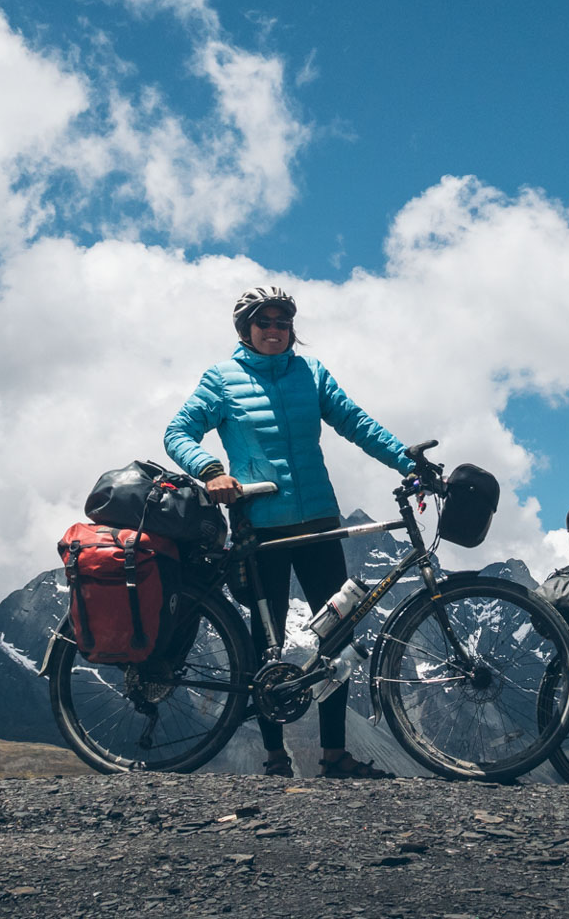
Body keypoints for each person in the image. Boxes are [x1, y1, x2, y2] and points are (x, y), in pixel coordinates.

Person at [165, 286, 411, 780]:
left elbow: (356, 423)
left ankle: (334, 756)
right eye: (264, 322)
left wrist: (407, 461)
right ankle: (275, 758)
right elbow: (178, 431)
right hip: (260, 524)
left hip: (319, 520)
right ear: (245, 329)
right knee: (267, 640)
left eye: (282, 322)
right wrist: (211, 470)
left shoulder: (310, 373)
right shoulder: (222, 379)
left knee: (338, 638)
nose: (274, 330)